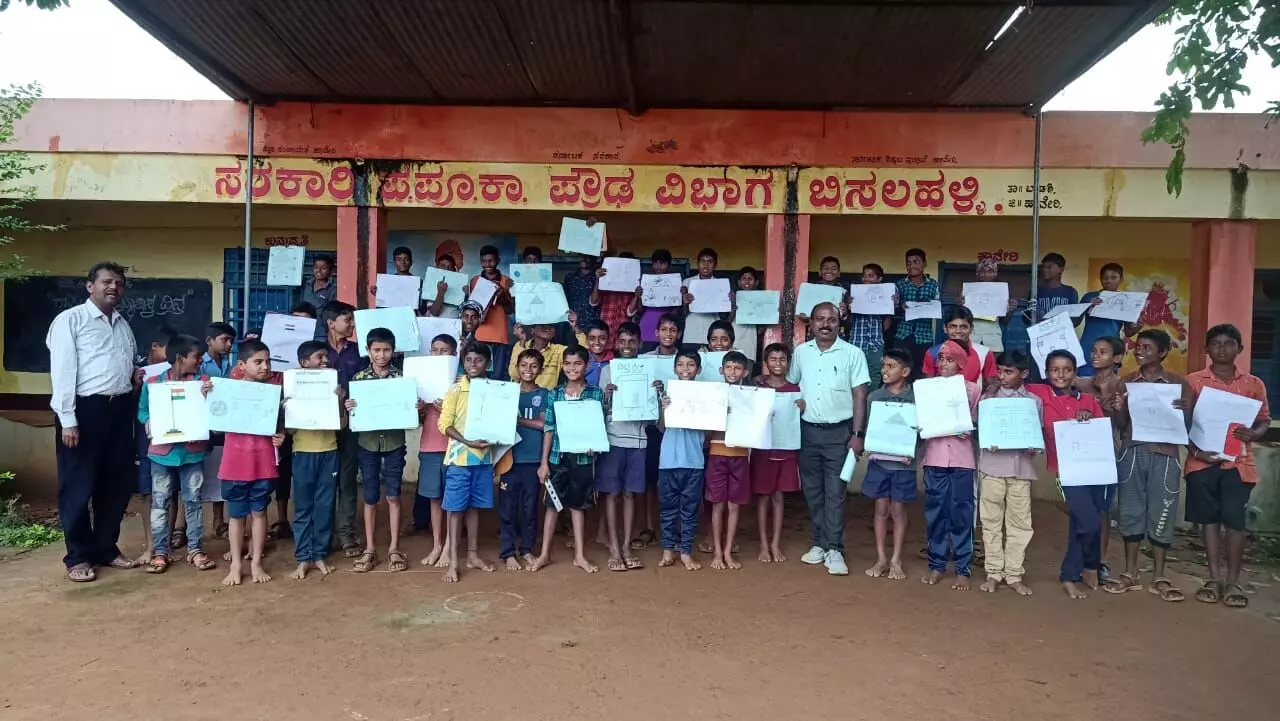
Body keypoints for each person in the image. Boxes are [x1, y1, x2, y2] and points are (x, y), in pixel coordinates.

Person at [47, 261, 139, 582]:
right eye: (107, 282)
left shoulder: (124, 325)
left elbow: (123, 368)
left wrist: (134, 376)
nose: (114, 287)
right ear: (90, 286)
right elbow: (62, 372)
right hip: (84, 412)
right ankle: (78, 556)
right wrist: (68, 419)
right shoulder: (70, 321)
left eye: (119, 283)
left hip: (118, 411)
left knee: (115, 483)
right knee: (77, 485)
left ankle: (105, 547)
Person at [1182, 323, 1270, 609]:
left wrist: (1255, 434)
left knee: (1235, 521)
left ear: (1240, 349)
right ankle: (1214, 578)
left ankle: (1233, 581)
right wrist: (1196, 451)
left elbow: (1264, 419)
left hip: (1239, 463)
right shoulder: (1193, 381)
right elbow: (1183, 423)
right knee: (1208, 520)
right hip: (1202, 461)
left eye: (1228, 343)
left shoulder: (1254, 384)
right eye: (1216, 344)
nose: (1222, 348)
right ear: (1206, 350)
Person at [1105, 329, 1192, 602]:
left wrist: (1184, 410)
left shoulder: (1179, 386)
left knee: (1162, 509)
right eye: (1138, 347)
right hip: (1133, 451)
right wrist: (1119, 407)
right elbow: (1120, 426)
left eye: (1147, 347)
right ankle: (1130, 573)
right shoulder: (1126, 383)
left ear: (1163, 352)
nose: (1139, 351)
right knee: (1131, 509)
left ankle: (1159, 576)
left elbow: (1189, 427)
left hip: (1166, 454)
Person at [788, 301, 869, 577]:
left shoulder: (852, 353)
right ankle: (819, 544)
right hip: (807, 431)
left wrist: (858, 434)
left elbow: (860, 395)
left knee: (835, 492)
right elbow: (792, 387)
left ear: (839, 323)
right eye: (820, 319)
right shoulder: (801, 353)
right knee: (813, 491)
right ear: (811, 324)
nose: (825, 324)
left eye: (831, 319)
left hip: (840, 433)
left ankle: (835, 548)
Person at [1030, 350, 1107, 599]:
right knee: (1089, 522)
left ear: (1075, 373)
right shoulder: (1041, 396)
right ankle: (1072, 573)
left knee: (1084, 521)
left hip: (1093, 470)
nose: (1061, 374)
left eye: (1067, 369)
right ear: (1046, 373)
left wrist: (1088, 419)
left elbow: (1100, 433)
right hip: (1065, 472)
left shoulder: (1088, 400)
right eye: (1055, 369)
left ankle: (1089, 567)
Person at [136, 334, 215, 574]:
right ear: (180, 358)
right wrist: (149, 421)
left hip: (192, 453)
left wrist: (209, 395)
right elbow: (142, 411)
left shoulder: (202, 382)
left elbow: (213, 411)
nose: (200, 361)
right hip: (162, 453)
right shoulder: (153, 383)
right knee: (160, 503)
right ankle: (161, 551)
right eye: (197, 357)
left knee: (193, 502)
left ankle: (195, 550)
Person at [345, 327, 421, 574]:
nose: (381, 355)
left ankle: (394, 548)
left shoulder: (402, 380)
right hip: (367, 444)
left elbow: (412, 416)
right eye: (376, 350)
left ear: (393, 351)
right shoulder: (358, 380)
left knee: (393, 494)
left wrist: (415, 407)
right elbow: (352, 416)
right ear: (368, 351)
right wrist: (349, 406)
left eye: (386, 350)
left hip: (394, 444)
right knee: (369, 496)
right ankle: (369, 547)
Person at [213, 339, 282, 586]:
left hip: (263, 461)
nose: (265, 366)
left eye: (267, 361)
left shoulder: (273, 393)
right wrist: (206, 393)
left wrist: (280, 435)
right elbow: (214, 412)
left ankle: (256, 563)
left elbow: (279, 427)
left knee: (260, 512)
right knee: (236, 517)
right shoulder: (228, 390)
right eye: (258, 362)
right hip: (235, 462)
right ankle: (235, 565)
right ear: (242, 365)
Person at [533, 346, 605, 573]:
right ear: (562, 366)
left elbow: (598, 427)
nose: (572, 368)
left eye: (577, 364)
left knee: (578, 505)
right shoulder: (554, 393)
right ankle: (545, 553)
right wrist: (544, 462)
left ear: (588, 366)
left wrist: (596, 447)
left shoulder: (595, 393)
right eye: (568, 364)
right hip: (557, 456)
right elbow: (549, 428)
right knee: (552, 506)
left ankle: (580, 555)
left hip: (583, 459)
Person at [977, 349, 1042, 595]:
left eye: (1009, 372)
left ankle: (1014, 574)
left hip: (1021, 469)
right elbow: (981, 433)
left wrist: (1031, 445)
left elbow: (1036, 441)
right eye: (1000, 371)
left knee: (1020, 524)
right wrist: (989, 439)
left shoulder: (1033, 402)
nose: (1002, 376)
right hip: (992, 467)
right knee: (991, 522)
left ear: (1024, 373)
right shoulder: (987, 400)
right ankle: (993, 572)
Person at [919, 340, 980, 589]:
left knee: (962, 513)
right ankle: (936, 565)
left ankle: (963, 568)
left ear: (961, 364)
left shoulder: (973, 390)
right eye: (941, 359)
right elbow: (921, 421)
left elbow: (977, 423)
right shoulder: (926, 389)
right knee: (936, 512)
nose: (944, 363)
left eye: (950, 359)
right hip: (934, 457)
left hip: (963, 459)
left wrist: (970, 430)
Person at [438, 342, 499, 583]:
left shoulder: (495, 390)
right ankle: (453, 560)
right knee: (455, 509)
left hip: (483, 459)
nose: (473, 364)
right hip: (459, 459)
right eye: (469, 360)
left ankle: (472, 554)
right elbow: (444, 424)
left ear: (488, 363)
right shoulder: (454, 391)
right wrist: (467, 441)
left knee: (474, 508)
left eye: (479, 360)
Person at [286, 340, 344, 580]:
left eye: (325, 357)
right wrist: (288, 409)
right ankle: (303, 557)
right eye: (319, 357)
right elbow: (288, 431)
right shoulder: (291, 388)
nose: (325, 361)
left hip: (329, 451)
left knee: (324, 506)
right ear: (304, 363)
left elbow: (342, 424)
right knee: (303, 507)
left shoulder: (334, 386)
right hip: (302, 453)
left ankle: (319, 553)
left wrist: (339, 401)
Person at [862, 348, 918, 581]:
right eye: (884, 365)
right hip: (880, 463)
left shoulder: (916, 397)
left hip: (904, 465)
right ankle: (881, 558)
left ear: (905, 371)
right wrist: (869, 445)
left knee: (898, 511)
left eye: (891, 366)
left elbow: (921, 432)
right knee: (880, 509)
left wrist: (913, 453)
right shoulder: (874, 397)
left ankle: (896, 559)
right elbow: (869, 428)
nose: (885, 370)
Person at [598, 323, 650, 571]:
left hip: (638, 440)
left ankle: (627, 546)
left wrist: (657, 396)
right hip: (613, 438)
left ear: (639, 343)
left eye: (632, 342)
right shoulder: (608, 371)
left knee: (630, 494)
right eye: (623, 341)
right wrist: (607, 396)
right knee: (613, 494)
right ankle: (615, 548)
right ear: (616, 344)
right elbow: (600, 410)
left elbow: (652, 417)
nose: (627, 346)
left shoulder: (649, 371)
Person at [1077, 335, 1127, 581]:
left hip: (1109, 453)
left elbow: (1123, 425)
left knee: (1102, 510)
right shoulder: (1081, 384)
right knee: (1080, 507)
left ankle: (1101, 561)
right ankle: (1080, 559)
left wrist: (1118, 409)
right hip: (1080, 452)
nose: (1095, 355)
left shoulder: (1124, 386)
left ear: (1117, 358)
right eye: (1094, 350)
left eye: (1103, 352)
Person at [657, 349, 707, 571]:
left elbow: (709, 430)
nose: (685, 369)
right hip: (668, 460)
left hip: (694, 461)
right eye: (681, 365)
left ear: (699, 369)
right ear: (674, 368)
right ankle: (668, 550)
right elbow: (660, 427)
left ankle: (686, 551)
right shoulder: (668, 393)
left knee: (689, 509)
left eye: (691, 365)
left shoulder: (707, 395)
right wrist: (664, 408)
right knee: (668, 508)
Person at [321, 301, 364, 558]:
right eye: (347, 320)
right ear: (331, 323)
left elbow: (364, 388)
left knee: (347, 480)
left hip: (350, 425)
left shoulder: (357, 353)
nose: (351, 325)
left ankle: (347, 534)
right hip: (321, 428)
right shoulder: (316, 352)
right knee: (325, 482)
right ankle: (325, 535)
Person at [752, 343, 802, 564]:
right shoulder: (758, 387)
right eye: (773, 359)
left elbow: (799, 416)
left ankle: (775, 543)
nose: (778, 364)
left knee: (779, 496)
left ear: (788, 363)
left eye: (782, 360)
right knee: (763, 496)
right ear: (766, 363)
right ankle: (764, 543)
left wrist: (802, 406)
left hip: (786, 447)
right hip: (763, 448)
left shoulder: (795, 390)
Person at [412, 334, 458, 567]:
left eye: (444, 350)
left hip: (454, 446)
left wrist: (449, 409)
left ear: (454, 353)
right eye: (434, 350)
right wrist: (419, 408)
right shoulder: (422, 379)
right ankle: (437, 544)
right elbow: (416, 420)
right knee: (434, 497)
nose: (438, 355)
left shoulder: (461, 381)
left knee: (452, 498)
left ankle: (450, 545)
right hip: (430, 444)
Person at [705, 351, 753, 571]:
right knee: (717, 504)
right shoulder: (714, 394)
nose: (733, 372)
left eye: (737, 368)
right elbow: (705, 429)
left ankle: (727, 551)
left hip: (740, 454)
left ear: (745, 372)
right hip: (716, 452)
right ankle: (716, 552)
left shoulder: (752, 396)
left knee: (734, 506)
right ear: (721, 370)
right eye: (729, 368)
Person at [638, 312, 682, 548]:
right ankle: (648, 525)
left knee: (674, 480)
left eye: (673, 330)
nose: (668, 334)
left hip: (678, 427)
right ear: (655, 333)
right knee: (650, 479)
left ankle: (675, 527)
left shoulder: (687, 359)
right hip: (652, 425)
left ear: (679, 334)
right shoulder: (644, 360)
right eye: (663, 329)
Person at [501, 349, 548, 571]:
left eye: (533, 366)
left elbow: (543, 424)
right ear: (516, 367)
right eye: (524, 365)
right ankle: (508, 552)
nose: (528, 370)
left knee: (530, 509)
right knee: (507, 508)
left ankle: (527, 549)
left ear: (540, 370)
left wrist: (518, 420)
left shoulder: (544, 394)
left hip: (533, 460)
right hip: (509, 459)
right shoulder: (506, 393)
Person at [133, 326, 174, 564]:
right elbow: (136, 408)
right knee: (148, 491)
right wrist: (135, 385)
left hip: (173, 437)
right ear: (155, 347)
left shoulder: (177, 371)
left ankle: (163, 546)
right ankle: (151, 546)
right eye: (168, 350)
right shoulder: (138, 369)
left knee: (172, 491)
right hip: (145, 439)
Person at [1079, 263, 1139, 377]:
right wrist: (1086, 305)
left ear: (1121, 279)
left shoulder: (1126, 300)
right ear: (1100, 279)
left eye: (1113, 277)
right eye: (1105, 278)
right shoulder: (1089, 297)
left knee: (1107, 387)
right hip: (1088, 348)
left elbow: (1128, 332)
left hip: (1112, 349)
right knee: (1085, 384)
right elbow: (1075, 322)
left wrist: (1140, 324)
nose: (1108, 281)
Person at [922, 306, 997, 384]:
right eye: (953, 326)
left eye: (963, 327)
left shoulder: (984, 353)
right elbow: (928, 385)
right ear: (945, 328)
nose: (958, 331)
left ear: (971, 328)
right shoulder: (932, 353)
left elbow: (991, 387)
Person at [894, 248, 939, 378]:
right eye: (908, 263)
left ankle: (917, 397)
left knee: (921, 371)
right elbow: (892, 308)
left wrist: (929, 306)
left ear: (924, 264)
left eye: (916, 262)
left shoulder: (933, 285)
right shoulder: (900, 284)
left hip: (924, 336)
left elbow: (937, 306)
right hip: (903, 334)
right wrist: (899, 305)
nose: (911, 266)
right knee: (901, 370)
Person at [849, 263, 892, 391]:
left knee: (874, 377)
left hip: (875, 344)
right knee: (853, 376)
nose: (866, 279)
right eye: (864, 276)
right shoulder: (854, 295)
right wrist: (849, 306)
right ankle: (855, 407)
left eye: (871, 276)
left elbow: (886, 326)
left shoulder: (884, 297)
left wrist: (890, 307)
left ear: (879, 279)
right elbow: (848, 322)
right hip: (856, 343)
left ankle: (869, 407)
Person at [508, 322, 587, 390]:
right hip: (522, 396)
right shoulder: (521, 346)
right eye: (543, 325)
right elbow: (514, 374)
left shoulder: (558, 350)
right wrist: (522, 341)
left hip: (547, 399)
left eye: (551, 326)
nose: (548, 328)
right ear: (532, 330)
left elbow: (582, 352)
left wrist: (576, 328)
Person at [966, 258, 1017, 352]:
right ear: (977, 273)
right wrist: (960, 305)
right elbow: (961, 317)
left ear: (995, 273)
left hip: (993, 337)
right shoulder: (969, 291)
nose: (986, 274)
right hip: (972, 336)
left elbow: (1004, 321)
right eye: (982, 271)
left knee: (990, 365)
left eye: (990, 271)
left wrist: (1011, 310)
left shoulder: (1002, 292)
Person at [469, 245, 514, 344]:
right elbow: (471, 308)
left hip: (499, 335)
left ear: (498, 260)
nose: (487, 264)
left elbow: (509, 311)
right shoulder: (474, 281)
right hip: (478, 333)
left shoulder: (506, 281)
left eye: (491, 261)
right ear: (480, 261)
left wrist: (502, 294)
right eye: (484, 261)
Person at [681, 248, 722, 352]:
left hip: (713, 336)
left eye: (710, 262)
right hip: (691, 335)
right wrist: (685, 303)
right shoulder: (688, 282)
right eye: (702, 261)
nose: (706, 265)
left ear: (715, 265)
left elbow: (724, 315)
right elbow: (682, 313)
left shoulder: (721, 285)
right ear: (698, 264)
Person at [591, 252, 640, 334]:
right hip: (605, 329)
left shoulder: (633, 285)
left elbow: (630, 312)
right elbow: (593, 302)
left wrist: (636, 296)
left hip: (623, 332)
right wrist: (598, 280)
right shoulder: (605, 281)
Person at [728, 266, 763, 363]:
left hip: (750, 344)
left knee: (747, 372)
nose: (747, 282)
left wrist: (756, 333)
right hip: (733, 340)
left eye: (750, 279)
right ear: (739, 282)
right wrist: (733, 306)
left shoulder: (761, 300)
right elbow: (727, 322)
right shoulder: (731, 297)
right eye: (744, 279)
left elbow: (765, 324)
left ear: (756, 283)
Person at [1034, 252, 1081, 322]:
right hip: (1040, 331)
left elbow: (1075, 320)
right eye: (1043, 267)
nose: (1045, 270)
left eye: (1049, 267)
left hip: (1061, 332)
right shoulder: (1035, 291)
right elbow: (1028, 318)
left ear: (1061, 269)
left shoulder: (1070, 292)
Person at [424, 253, 463, 319]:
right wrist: (441, 293)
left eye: (449, 267)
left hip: (453, 324)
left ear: (454, 270)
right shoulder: (431, 284)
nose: (446, 269)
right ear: (437, 268)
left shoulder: (459, 284)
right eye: (443, 266)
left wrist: (467, 295)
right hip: (435, 325)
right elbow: (434, 312)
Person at [564, 254, 599, 327]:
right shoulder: (570, 277)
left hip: (591, 323)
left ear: (595, 258)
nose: (584, 258)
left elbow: (595, 301)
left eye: (588, 256)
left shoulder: (598, 277)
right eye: (582, 255)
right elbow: (564, 300)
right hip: (571, 323)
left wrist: (598, 279)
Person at [584, 319, 614, 387]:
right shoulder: (583, 359)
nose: (597, 342)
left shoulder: (614, 361)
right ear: (586, 340)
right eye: (592, 338)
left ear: (608, 340)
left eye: (602, 338)